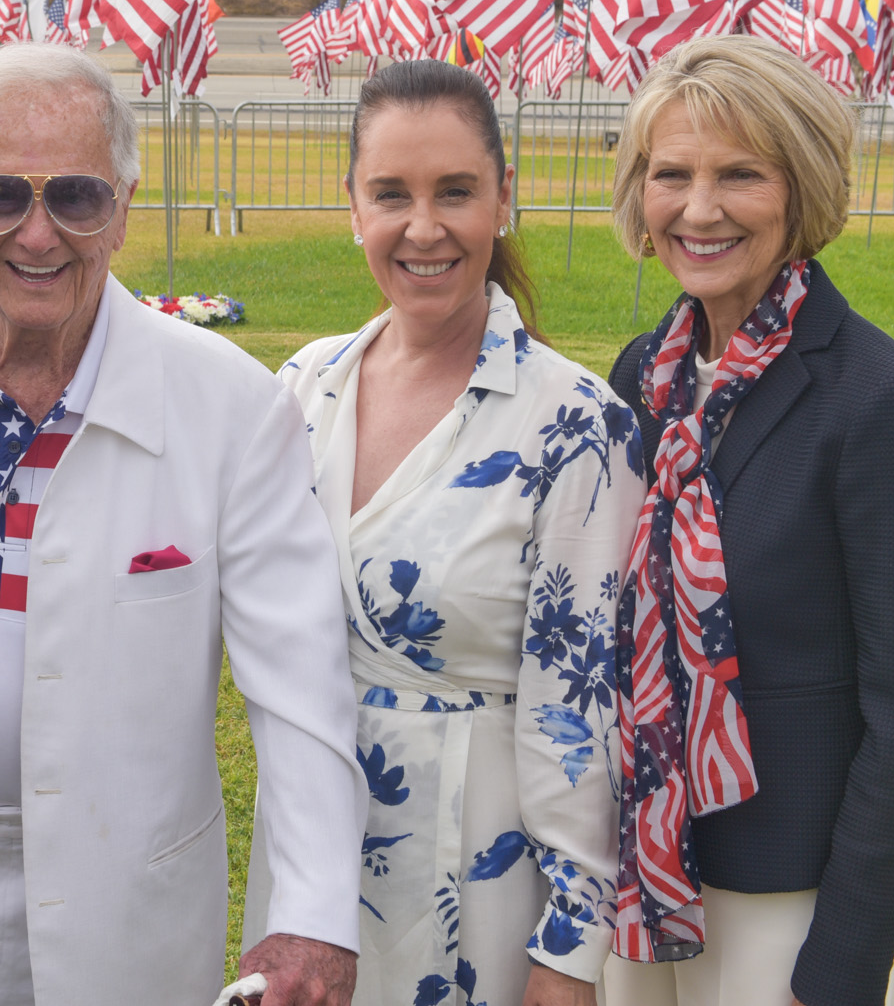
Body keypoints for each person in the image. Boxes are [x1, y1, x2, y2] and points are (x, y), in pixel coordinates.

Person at [0, 43, 365, 1006]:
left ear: (126, 204)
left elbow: (300, 684)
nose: (38, 234)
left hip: (114, 897)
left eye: (77, 198)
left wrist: (311, 907)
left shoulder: (230, 403)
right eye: (1, 195)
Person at [260, 61, 640, 1006]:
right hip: (308, 864)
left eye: (456, 192)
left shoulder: (577, 424)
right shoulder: (303, 387)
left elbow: (580, 713)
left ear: (504, 200)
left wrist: (568, 954)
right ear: (352, 205)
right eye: (391, 193)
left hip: (482, 881)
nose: (422, 227)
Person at [599, 36, 894, 1006]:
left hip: (787, 896)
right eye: (669, 174)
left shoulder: (884, 404)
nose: (698, 207)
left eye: (739, 175)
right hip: (643, 862)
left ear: (800, 189)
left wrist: (841, 962)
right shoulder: (644, 374)